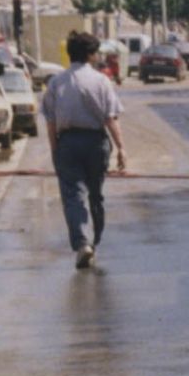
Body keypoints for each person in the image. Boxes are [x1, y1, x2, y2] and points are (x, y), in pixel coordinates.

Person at [40, 30, 128, 269]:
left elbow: (49, 121)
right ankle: (93, 240)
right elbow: (111, 118)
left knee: (73, 196)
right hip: (96, 143)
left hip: (67, 143)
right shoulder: (101, 81)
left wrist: (55, 149)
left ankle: (83, 243)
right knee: (95, 194)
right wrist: (120, 148)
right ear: (90, 55)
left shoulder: (56, 83)